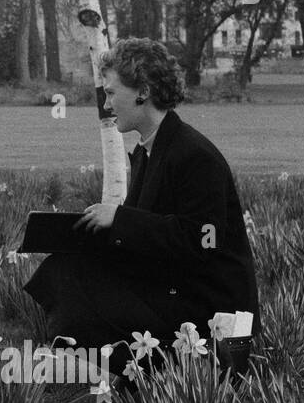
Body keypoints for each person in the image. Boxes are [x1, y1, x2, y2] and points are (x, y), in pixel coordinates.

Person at [22, 38, 259, 377]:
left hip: (210, 308)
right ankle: (143, 373)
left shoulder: (193, 155)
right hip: (175, 285)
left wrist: (119, 219)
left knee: (72, 281)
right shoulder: (150, 149)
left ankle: (165, 373)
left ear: (143, 92)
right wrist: (83, 237)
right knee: (64, 269)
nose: (106, 104)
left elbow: (201, 241)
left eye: (111, 93)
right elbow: (148, 232)